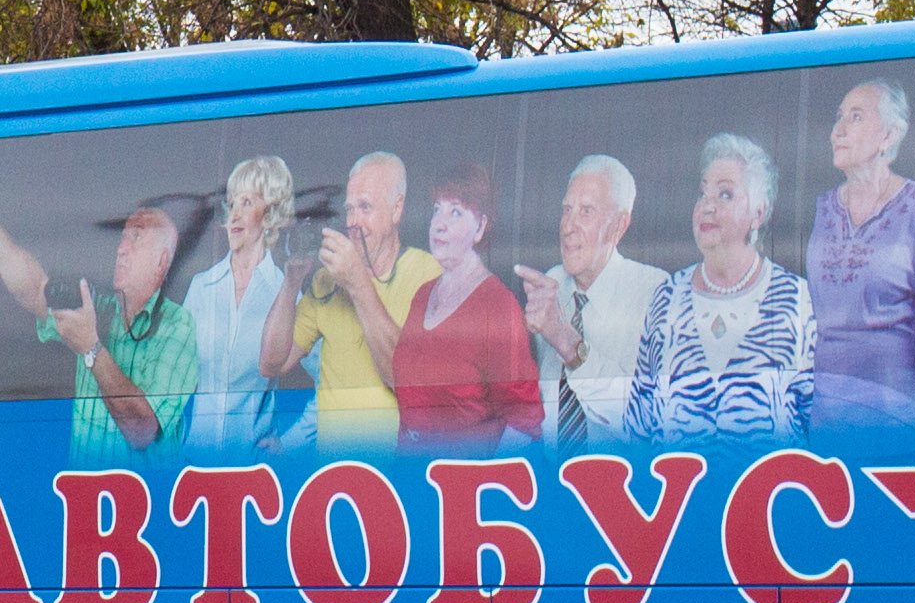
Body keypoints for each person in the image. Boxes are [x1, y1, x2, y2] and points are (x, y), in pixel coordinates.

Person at [0, 165, 197, 455]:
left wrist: (91, 349)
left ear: (162, 262)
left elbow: (141, 429)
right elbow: (34, 290)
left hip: (145, 499)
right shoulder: (99, 307)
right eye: (122, 237)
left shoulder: (178, 325)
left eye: (137, 238)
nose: (121, 249)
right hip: (81, 497)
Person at [627, 133, 815, 437]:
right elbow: (639, 424)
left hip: (770, 484)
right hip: (680, 484)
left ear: (758, 212)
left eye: (725, 195)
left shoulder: (797, 300)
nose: (707, 207)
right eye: (703, 194)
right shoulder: (667, 298)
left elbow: (821, 426)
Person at [808, 75, 915, 434]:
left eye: (856, 117)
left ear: (888, 136)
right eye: (839, 117)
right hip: (827, 430)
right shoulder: (821, 209)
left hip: (899, 425)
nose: (837, 131)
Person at [261, 151, 428, 449]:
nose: (353, 222)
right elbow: (272, 363)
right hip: (333, 475)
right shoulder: (327, 281)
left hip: (395, 477)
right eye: (349, 210)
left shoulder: (426, 273)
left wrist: (358, 284)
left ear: (397, 209)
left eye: (365, 207)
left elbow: (407, 383)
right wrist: (291, 282)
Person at [383, 166, 540, 441]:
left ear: (480, 226)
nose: (439, 223)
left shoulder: (498, 306)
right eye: (436, 209)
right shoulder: (423, 295)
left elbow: (524, 423)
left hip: (466, 478)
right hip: (409, 473)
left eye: (456, 211)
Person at [515, 153, 665, 442]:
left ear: (619, 225)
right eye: (566, 209)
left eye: (586, 211)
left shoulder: (654, 293)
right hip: (548, 481)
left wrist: (564, 340)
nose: (568, 226)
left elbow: (644, 415)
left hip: (623, 481)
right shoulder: (552, 282)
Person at [184, 151, 308, 447]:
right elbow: (173, 379)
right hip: (193, 470)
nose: (234, 216)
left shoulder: (286, 290)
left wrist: (290, 443)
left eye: (247, 202)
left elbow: (331, 378)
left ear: (270, 215)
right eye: (231, 204)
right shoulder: (201, 287)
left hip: (253, 475)